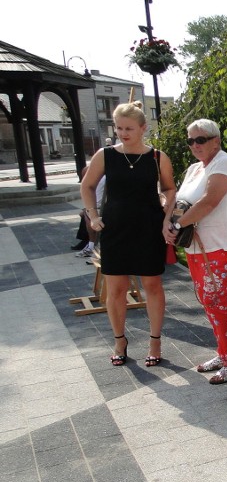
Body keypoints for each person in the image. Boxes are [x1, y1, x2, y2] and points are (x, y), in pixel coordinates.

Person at [80, 101, 176, 367]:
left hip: (148, 228)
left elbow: (170, 188)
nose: (123, 133)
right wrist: (93, 214)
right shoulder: (106, 154)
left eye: (129, 128)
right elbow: (87, 186)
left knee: (152, 287)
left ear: (143, 128)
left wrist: (167, 213)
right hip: (115, 229)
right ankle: (120, 340)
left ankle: (155, 341)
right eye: (119, 127)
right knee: (116, 289)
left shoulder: (158, 157)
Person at [166, 119, 227, 385]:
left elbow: (209, 201)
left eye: (201, 140)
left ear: (216, 140)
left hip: (220, 244)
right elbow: (181, 203)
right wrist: (169, 224)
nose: (195, 145)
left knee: (215, 300)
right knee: (207, 300)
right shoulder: (193, 170)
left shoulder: (224, 163)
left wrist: (177, 224)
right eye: (190, 141)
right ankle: (224, 353)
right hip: (197, 245)